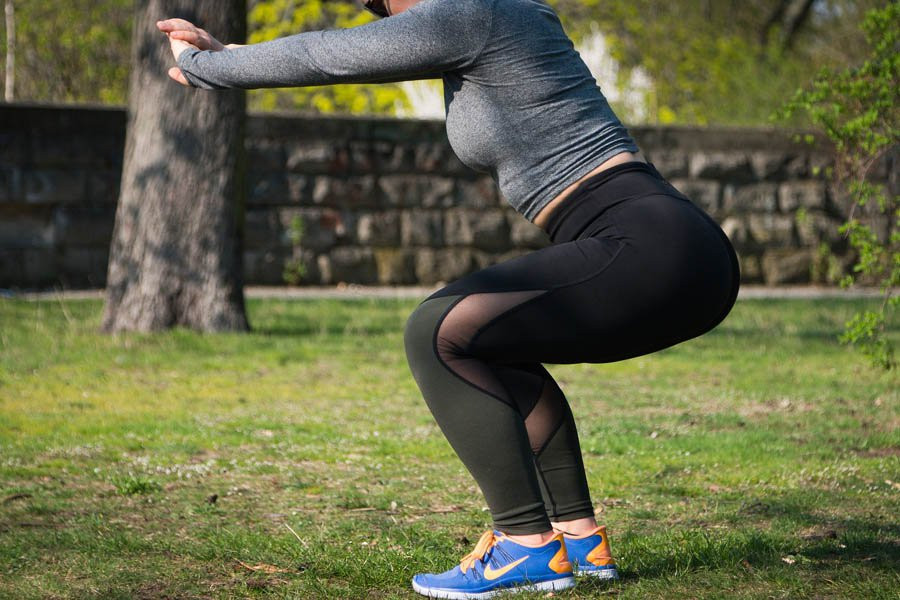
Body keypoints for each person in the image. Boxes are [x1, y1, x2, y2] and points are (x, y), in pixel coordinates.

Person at [159, 0, 740, 597]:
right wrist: (227, 53)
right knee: (493, 344)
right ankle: (577, 540)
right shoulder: (492, 18)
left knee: (436, 332)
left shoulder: (473, 13)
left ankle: (525, 545)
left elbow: (325, 55)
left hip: (646, 244)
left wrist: (209, 68)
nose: (383, 13)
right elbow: (344, 55)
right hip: (678, 247)